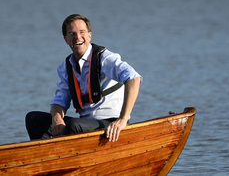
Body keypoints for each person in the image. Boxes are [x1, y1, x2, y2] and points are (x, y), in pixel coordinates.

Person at [25, 14, 142, 142]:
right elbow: (59, 101)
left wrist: (123, 120)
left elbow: (134, 79)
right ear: (65, 39)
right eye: (72, 34)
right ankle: (47, 158)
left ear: (89, 35)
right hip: (85, 124)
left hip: (110, 122)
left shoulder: (105, 58)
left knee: (73, 125)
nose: (77, 37)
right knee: (33, 119)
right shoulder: (66, 67)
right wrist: (57, 117)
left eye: (82, 32)